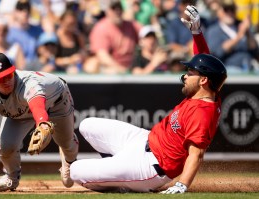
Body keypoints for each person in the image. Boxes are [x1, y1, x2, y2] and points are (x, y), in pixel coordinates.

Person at [70, 5, 227, 194]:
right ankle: (118, 168)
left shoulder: (203, 113)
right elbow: (205, 60)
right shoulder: (208, 92)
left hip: (151, 166)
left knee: (75, 171)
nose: (185, 76)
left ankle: (125, 184)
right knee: (87, 125)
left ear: (203, 80)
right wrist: (197, 33)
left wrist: (182, 184)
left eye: (190, 73)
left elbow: (197, 154)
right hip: (144, 140)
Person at [0, 52, 79, 192]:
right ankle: (11, 177)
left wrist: (42, 123)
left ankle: (68, 161)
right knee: (6, 147)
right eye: (0, 79)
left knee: (67, 144)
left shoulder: (28, 82)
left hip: (56, 101)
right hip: (20, 112)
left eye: (8, 75)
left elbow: (37, 105)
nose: (6, 81)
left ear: (13, 71)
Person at [83, 0, 140, 74]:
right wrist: (122, 71)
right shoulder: (101, 28)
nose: (117, 11)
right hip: (111, 68)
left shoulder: (131, 25)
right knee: (92, 65)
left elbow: (147, 36)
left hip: (132, 66)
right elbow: (103, 56)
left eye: (119, 8)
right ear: (107, 11)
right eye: (113, 8)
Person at [206, 0, 259, 72]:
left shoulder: (240, 25)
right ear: (219, 12)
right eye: (226, 9)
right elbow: (217, 53)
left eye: (232, 9)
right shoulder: (213, 30)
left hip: (249, 68)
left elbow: (255, 50)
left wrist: (248, 33)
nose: (229, 13)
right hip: (228, 70)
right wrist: (239, 36)